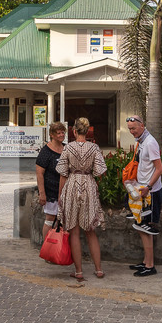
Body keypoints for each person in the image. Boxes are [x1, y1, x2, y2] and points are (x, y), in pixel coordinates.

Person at [56, 117, 107, 280]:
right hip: (89, 185)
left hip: (71, 185)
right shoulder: (94, 148)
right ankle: (98, 269)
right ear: (88, 131)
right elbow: (100, 172)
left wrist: (60, 196)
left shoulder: (68, 148)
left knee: (74, 231)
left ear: (74, 131)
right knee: (90, 231)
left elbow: (63, 174)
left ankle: (78, 272)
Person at [125, 114, 162, 277]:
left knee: (146, 229)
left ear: (142, 126)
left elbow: (159, 169)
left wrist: (148, 186)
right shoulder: (142, 141)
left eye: (133, 128)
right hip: (142, 190)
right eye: (129, 129)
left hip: (150, 192)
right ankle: (146, 261)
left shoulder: (150, 143)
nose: (131, 132)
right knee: (141, 227)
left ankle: (150, 265)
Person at [35, 121, 66, 232]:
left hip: (64, 192)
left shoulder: (66, 149)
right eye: (58, 133)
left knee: (62, 221)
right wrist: (42, 194)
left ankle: (58, 248)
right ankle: (47, 247)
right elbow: (39, 173)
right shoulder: (45, 152)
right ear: (52, 135)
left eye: (63, 132)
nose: (62, 135)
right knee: (50, 220)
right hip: (51, 192)